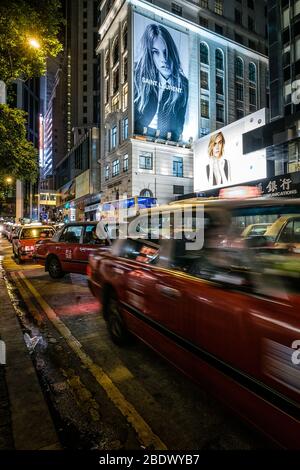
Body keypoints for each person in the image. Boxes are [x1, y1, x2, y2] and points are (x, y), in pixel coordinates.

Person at [134, 23, 189, 141]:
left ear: (172, 52)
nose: (163, 59)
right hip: (139, 139)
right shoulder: (138, 74)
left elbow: (179, 125)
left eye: (166, 52)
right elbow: (132, 121)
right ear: (150, 53)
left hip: (167, 144)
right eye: (156, 52)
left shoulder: (183, 84)